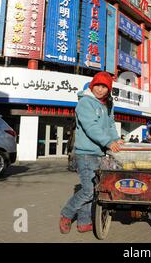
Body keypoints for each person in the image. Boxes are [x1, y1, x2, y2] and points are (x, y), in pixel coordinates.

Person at [60, 72, 123, 234]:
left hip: (100, 154)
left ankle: (83, 222)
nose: (100, 90)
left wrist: (116, 139)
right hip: (86, 153)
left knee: (93, 189)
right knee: (88, 190)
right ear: (92, 85)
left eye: (105, 87)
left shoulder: (107, 104)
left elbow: (110, 124)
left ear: (109, 90)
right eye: (98, 85)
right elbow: (91, 127)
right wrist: (108, 142)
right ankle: (66, 214)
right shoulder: (85, 103)